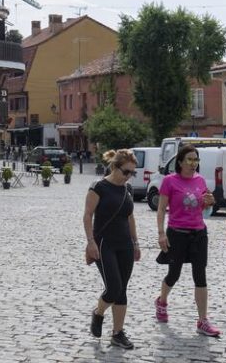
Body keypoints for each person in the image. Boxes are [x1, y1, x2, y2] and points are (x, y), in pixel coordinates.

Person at [155, 144, 221, 336]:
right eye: (190, 160)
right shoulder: (169, 181)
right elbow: (161, 209)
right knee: (173, 274)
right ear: (181, 162)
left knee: (200, 276)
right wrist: (161, 233)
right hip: (177, 233)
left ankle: (202, 320)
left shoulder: (200, 181)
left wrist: (209, 203)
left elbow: (203, 208)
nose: (193, 163)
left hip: (199, 234)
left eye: (196, 160)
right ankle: (162, 301)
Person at [83, 149, 141, 350]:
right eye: (126, 172)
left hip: (124, 244)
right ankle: (98, 313)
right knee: (114, 287)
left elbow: (130, 217)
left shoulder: (128, 189)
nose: (129, 177)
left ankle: (118, 333)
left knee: (122, 290)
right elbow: (87, 215)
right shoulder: (99, 187)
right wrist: (90, 242)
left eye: (132, 173)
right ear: (115, 167)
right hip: (104, 244)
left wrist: (135, 243)